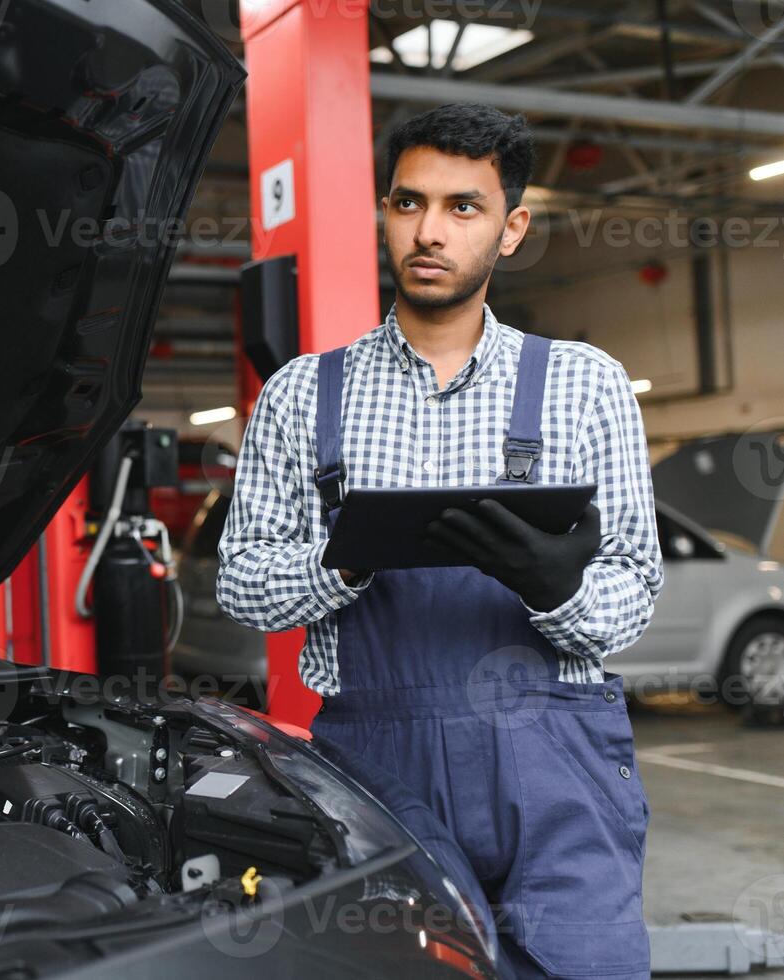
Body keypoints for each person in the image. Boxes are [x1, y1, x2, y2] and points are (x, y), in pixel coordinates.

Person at [216, 102, 663, 979]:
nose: (430, 231)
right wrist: (341, 562)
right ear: (384, 213)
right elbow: (242, 582)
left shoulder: (584, 386)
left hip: (556, 767)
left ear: (510, 228)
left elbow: (633, 594)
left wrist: (556, 589)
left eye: (464, 206)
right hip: (377, 765)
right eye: (408, 202)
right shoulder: (304, 396)